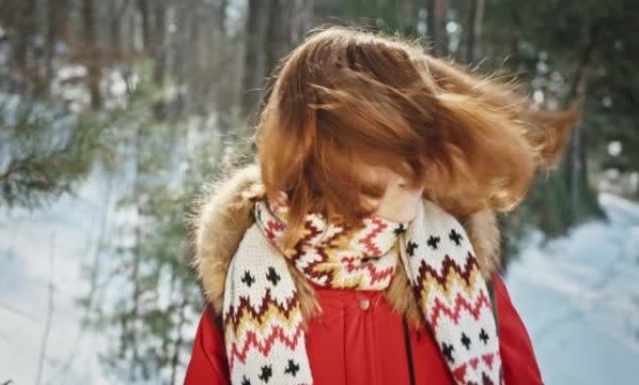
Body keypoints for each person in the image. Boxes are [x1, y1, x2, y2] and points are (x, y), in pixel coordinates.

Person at [182, 25, 577, 385]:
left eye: (419, 139)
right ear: (326, 153)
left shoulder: (464, 277)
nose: (417, 164)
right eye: (389, 145)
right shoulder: (243, 305)